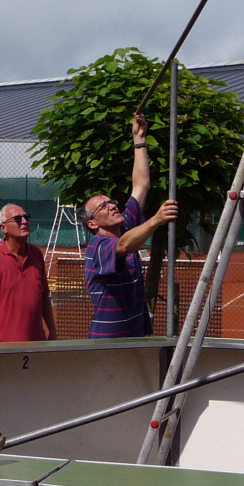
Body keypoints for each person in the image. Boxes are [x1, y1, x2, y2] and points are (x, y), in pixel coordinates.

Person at [82, 112, 180, 339]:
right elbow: (124, 245)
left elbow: (141, 186)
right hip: (108, 341)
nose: (111, 206)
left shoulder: (126, 227)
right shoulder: (97, 246)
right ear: (92, 223)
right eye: (103, 206)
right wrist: (156, 219)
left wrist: (139, 141)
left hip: (135, 336)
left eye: (111, 202)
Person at [0, 203, 58, 343]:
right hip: (4, 347)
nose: (24, 221)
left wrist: (52, 331)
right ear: (3, 228)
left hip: (37, 344)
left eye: (26, 217)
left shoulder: (36, 254)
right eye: (17, 219)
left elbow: (44, 297)